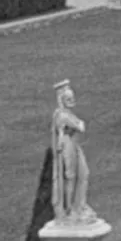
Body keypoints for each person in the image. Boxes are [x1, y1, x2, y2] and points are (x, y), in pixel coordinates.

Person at [51, 80, 93, 225]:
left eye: (73, 98)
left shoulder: (66, 114)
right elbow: (80, 126)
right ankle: (70, 209)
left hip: (73, 145)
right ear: (62, 100)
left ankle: (78, 205)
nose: (72, 101)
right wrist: (78, 124)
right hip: (68, 146)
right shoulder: (62, 115)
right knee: (72, 176)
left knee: (83, 174)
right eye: (68, 99)